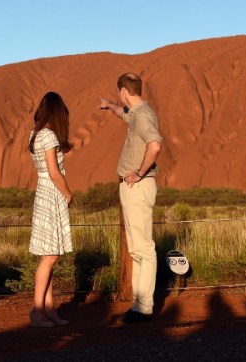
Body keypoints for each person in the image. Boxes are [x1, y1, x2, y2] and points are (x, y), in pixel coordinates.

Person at [99, 73, 163, 323]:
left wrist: (139, 172)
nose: (118, 98)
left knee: (144, 249)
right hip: (133, 188)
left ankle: (144, 306)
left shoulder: (144, 116)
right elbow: (125, 114)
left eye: (118, 94)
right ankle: (139, 305)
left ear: (124, 91)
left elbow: (155, 144)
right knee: (136, 248)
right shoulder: (136, 113)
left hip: (139, 186)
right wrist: (110, 106)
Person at [27, 91, 74, 328]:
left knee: (50, 255)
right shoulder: (49, 136)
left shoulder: (36, 134)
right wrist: (68, 194)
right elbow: (54, 171)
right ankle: (38, 311)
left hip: (44, 192)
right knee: (50, 256)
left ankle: (48, 309)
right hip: (52, 193)